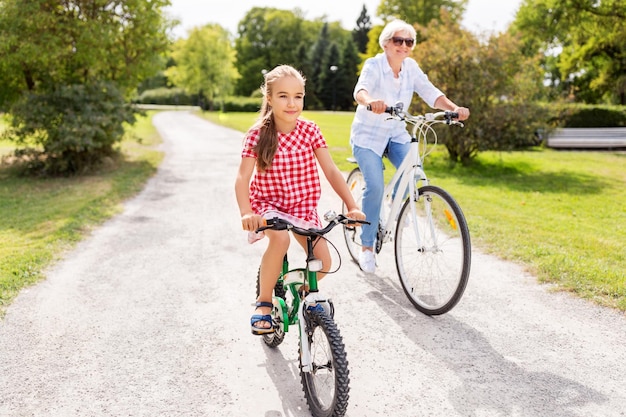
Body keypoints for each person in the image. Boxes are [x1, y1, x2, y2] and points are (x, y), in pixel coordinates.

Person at [235, 64, 366, 335]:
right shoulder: (258, 134)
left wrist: (352, 205)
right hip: (268, 206)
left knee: (324, 264)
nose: (292, 103)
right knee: (280, 240)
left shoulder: (310, 130)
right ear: (269, 98)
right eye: (283, 96)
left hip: (302, 207)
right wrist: (247, 212)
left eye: (298, 96)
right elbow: (242, 178)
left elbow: (331, 170)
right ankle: (264, 303)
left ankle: (302, 296)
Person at [349, 19, 470, 274]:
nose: (403, 46)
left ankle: (395, 201)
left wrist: (453, 109)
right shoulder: (374, 65)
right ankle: (367, 246)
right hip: (368, 135)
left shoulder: (411, 67)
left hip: (395, 132)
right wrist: (371, 101)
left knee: (415, 173)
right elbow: (360, 91)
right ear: (385, 43)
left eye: (409, 41)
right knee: (375, 184)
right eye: (398, 40)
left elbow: (431, 92)